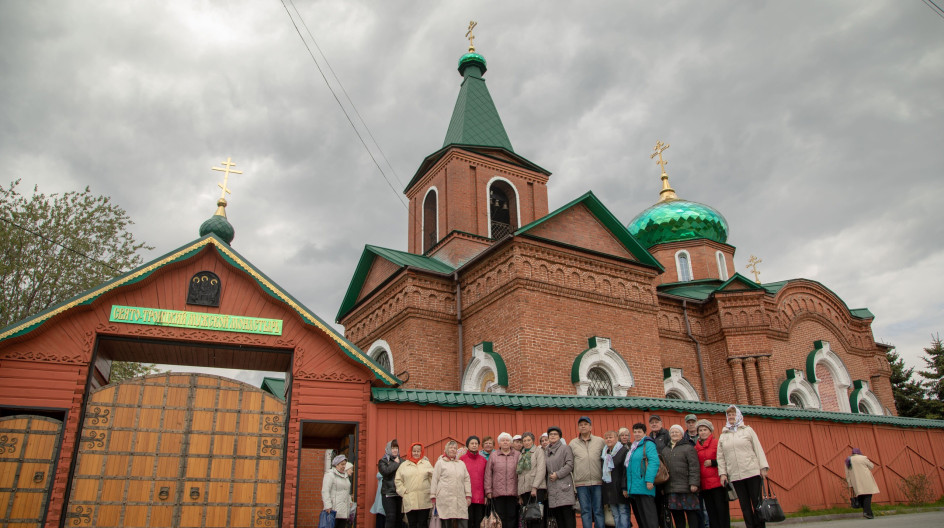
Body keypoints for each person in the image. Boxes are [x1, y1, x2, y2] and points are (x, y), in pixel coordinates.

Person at [717, 406, 769, 528]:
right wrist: (723, 474)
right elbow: (721, 457)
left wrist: (763, 467)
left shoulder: (747, 431)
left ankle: (760, 526)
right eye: (729, 415)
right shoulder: (724, 435)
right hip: (735, 474)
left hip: (751, 471)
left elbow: (757, 448)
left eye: (733, 414)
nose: (731, 417)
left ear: (739, 416)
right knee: (744, 505)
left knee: (757, 503)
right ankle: (750, 525)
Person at [662, 425, 700, 528]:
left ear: (682, 435)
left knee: (691, 513)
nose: (674, 434)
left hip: (686, 487)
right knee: (677, 515)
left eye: (676, 432)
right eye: (672, 432)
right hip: (671, 488)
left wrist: (694, 483)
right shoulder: (665, 450)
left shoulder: (688, 448)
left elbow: (694, 466)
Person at [571, 416, 605, 528]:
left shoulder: (600, 441)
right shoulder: (573, 443)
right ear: (578, 428)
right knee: (585, 511)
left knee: (599, 510)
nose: (583, 426)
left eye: (586, 424)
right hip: (581, 484)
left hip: (597, 482)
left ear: (591, 427)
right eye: (581, 425)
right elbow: (570, 465)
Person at [693, 420, 728, 528]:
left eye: (705, 430)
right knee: (710, 512)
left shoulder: (717, 443)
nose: (702, 432)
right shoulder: (696, 448)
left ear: (710, 431)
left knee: (721, 511)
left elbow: (725, 459)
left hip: (718, 482)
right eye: (700, 430)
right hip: (705, 484)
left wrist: (713, 462)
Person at [623, 423, 659, 528]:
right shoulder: (634, 447)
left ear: (644, 433)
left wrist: (649, 480)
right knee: (641, 518)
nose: (637, 434)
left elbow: (654, 462)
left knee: (649, 517)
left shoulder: (648, 444)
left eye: (639, 432)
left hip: (645, 485)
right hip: (635, 487)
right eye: (635, 432)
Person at [432, 440, 473, 528]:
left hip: (460, 499)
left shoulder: (461, 464)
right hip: (445, 499)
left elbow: (466, 480)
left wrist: (468, 495)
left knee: (463, 522)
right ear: (446, 449)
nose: (453, 450)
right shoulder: (440, 463)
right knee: (447, 523)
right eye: (451, 448)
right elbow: (434, 480)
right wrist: (433, 496)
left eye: (455, 448)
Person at [485, 432, 520, 528]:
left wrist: (520, 492)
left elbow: (521, 474)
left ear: (511, 443)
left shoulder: (517, 455)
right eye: (503, 440)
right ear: (499, 443)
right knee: (500, 517)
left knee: (512, 516)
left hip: (513, 492)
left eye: (507, 440)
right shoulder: (494, 455)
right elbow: (488, 474)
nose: (505, 442)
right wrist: (488, 490)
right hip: (497, 493)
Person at [395, 442, 434, 528]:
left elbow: (433, 478)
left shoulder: (426, 464)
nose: (416, 453)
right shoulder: (404, 465)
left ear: (421, 452)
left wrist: (432, 492)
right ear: (410, 452)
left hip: (424, 498)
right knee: (412, 523)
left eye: (418, 451)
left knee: (423, 523)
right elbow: (398, 480)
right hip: (410, 498)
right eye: (414, 451)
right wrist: (403, 492)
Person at [544, 426, 576, 528]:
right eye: (551, 434)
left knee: (567, 515)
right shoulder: (546, 450)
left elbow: (570, 464)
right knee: (558, 517)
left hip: (564, 485)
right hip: (552, 487)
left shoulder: (565, 448)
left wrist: (558, 474)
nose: (552, 436)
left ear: (559, 436)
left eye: (555, 434)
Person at [517, 432, 547, 528]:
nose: (526, 442)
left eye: (528, 440)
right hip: (525, 489)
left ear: (533, 441)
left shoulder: (538, 451)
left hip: (536, 488)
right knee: (528, 518)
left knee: (537, 516)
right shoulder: (521, 454)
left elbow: (541, 470)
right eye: (524, 440)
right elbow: (519, 474)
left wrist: (535, 487)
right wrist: (520, 494)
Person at [601, 430, 631, 528]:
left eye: (611, 437)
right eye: (606, 438)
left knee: (623, 512)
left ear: (616, 438)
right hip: (609, 488)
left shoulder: (623, 451)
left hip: (620, 487)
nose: (608, 439)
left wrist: (624, 487)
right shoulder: (605, 453)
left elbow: (625, 471)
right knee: (615, 513)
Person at [647, 415, 670, 528]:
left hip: (664, 473)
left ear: (661, 423)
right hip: (654, 475)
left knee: (666, 505)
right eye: (652, 423)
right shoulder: (649, 437)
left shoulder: (666, 435)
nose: (654, 424)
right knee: (657, 504)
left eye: (656, 422)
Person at [461, 436, 488, 528]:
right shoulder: (462, 460)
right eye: (472, 443)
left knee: (479, 521)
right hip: (466, 496)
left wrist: (486, 495)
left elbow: (486, 478)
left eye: (476, 443)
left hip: (480, 497)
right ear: (467, 445)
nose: (474, 445)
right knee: (468, 521)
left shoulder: (483, 460)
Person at [845, 448, 879, 519]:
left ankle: (868, 513)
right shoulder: (863, 458)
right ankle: (867, 512)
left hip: (855, 482)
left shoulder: (848, 460)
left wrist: (850, 484)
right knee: (868, 495)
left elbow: (847, 474)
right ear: (859, 452)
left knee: (861, 495)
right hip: (865, 479)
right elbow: (871, 466)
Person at [378, 440, 403, 528]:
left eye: (396, 448)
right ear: (388, 449)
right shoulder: (383, 461)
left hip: (399, 493)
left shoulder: (402, 461)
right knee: (391, 517)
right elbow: (385, 472)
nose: (395, 450)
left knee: (399, 518)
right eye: (392, 448)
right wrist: (396, 463)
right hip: (388, 493)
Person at [324, 454, 354, 528]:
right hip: (333, 509)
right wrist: (327, 505)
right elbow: (325, 491)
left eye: (344, 464)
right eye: (341, 464)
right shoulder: (330, 475)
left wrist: (350, 500)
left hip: (344, 509)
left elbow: (347, 491)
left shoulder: (345, 476)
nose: (343, 466)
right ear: (336, 465)